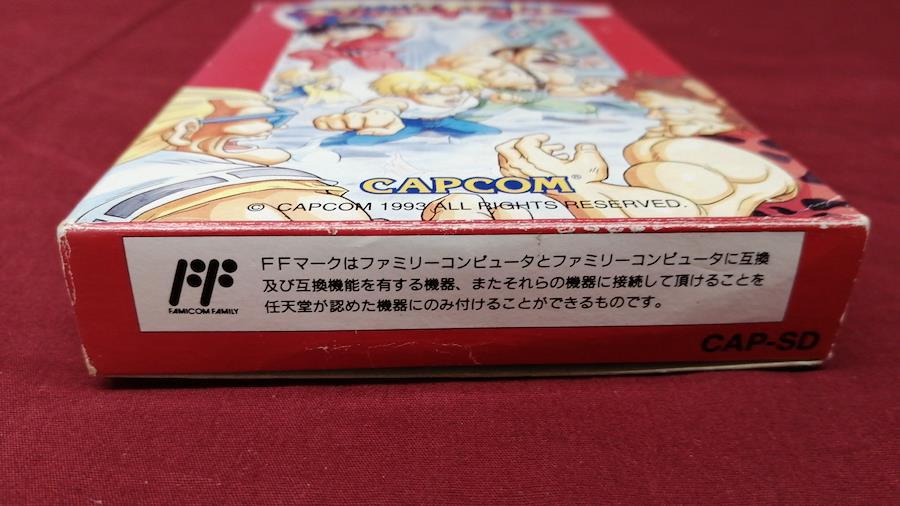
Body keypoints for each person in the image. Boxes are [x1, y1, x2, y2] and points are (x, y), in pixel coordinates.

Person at [313, 70, 501, 145]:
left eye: (458, 91)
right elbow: (386, 105)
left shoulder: (467, 98)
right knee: (359, 141)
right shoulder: (405, 102)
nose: (451, 98)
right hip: (409, 123)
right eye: (430, 94)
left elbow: (482, 92)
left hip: (445, 121)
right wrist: (378, 116)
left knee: (490, 134)